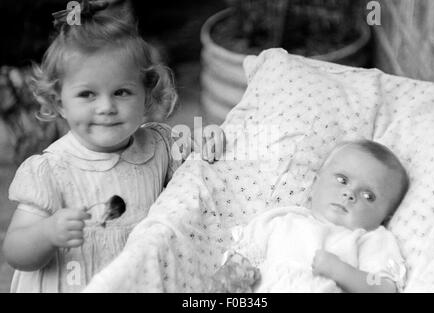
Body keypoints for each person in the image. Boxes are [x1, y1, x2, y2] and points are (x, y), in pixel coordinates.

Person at [2, 1, 222, 292]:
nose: (106, 107)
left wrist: (209, 139)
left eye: (121, 92)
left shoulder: (159, 144)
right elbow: (15, 251)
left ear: (146, 94)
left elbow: (196, 163)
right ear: (59, 103)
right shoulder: (49, 171)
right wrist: (47, 232)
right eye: (87, 94)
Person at [212, 139, 409, 293]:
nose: (349, 194)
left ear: (385, 215)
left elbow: (383, 287)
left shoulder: (371, 240)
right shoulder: (282, 221)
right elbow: (239, 264)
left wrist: (341, 272)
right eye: (342, 180)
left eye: (368, 196)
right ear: (317, 180)